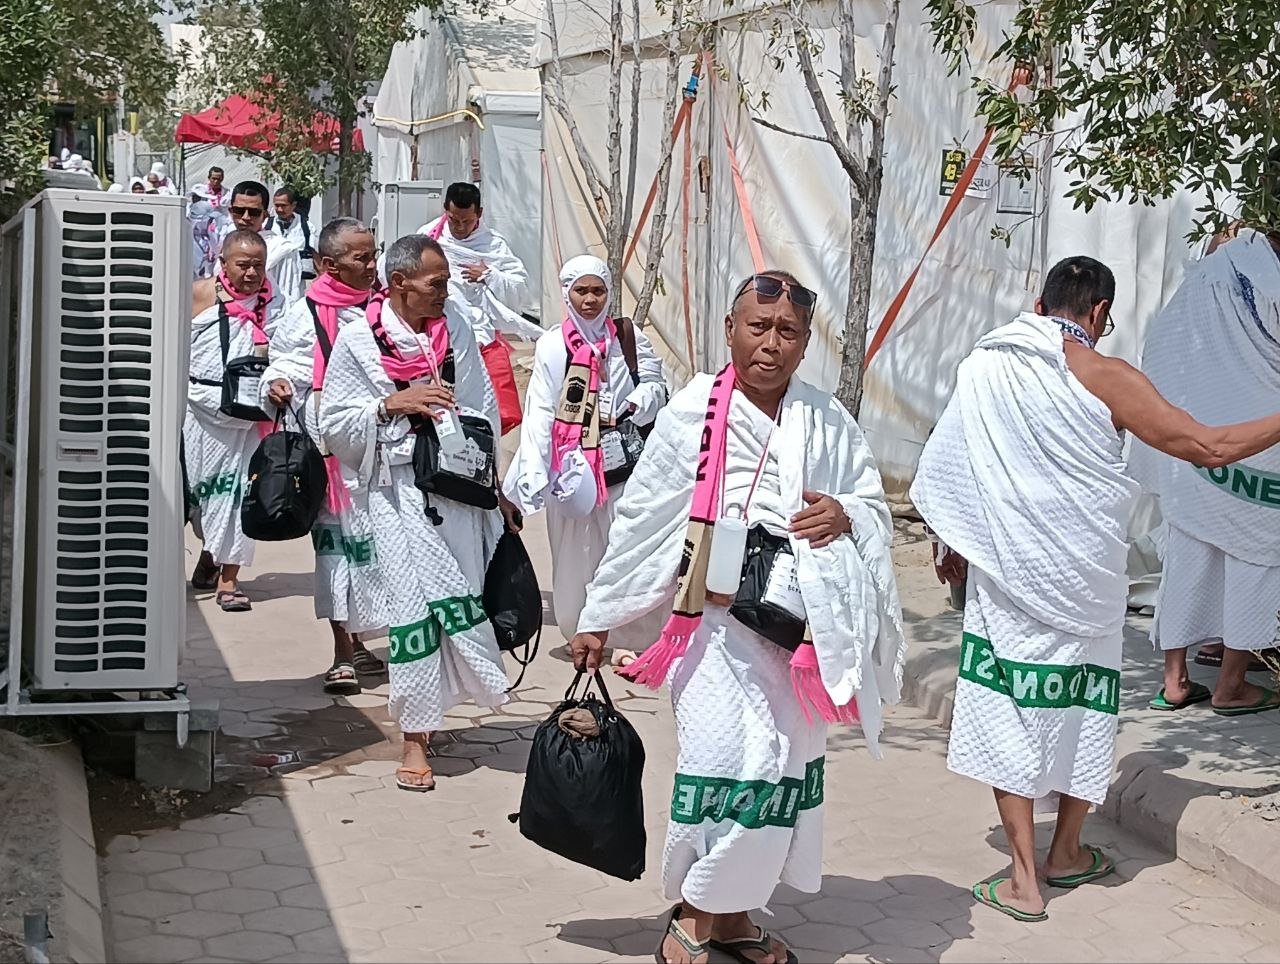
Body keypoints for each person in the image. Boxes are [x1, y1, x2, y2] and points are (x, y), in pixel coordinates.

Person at [910, 256, 1280, 923]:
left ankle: (1024, 878)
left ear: (1038, 301)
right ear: (1100, 314)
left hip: (1009, 574)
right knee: (1083, 708)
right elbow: (1208, 445)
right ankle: (1069, 850)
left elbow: (950, 458)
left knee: (1009, 708)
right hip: (1086, 579)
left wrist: (952, 538)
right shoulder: (1106, 377)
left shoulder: (986, 364)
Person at [568, 269, 904, 964]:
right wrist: (599, 617)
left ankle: (735, 916)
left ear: (806, 344)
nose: (771, 344)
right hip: (712, 634)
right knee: (725, 763)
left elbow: (870, 503)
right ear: (730, 330)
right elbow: (644, 520)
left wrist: (844, 514)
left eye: (788, 333)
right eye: (758, 327)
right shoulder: (692, 414)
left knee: (780, 767)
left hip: (793, 636)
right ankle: (697, 914)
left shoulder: (826, 419)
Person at [319, 234, 521, 792]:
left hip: (457, 490)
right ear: (400, 282)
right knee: (414, 605)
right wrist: (391, 403)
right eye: (437, 284)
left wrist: (495, 488)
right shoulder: (358, 339)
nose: (445, 293)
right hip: (397, 493)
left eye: (448, 284)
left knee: (457, 599)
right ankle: (414, 736)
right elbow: (333, 422)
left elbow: (480, 408)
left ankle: (438, 713)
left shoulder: (455, 329)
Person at [1128, 222, 1280, 714]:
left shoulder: (1197, 288)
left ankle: (1175, 680)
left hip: (1192, 445)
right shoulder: (1267, 280)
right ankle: (1231, 686)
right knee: (1255, 558)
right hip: (1257, 442)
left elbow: (1160, 355)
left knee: (1189, 559)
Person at [503, 255, 667, 650]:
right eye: (582, 291)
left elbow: (656, 385)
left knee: (624, 546)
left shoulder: (627, 338)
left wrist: (636, 401)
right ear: (567, 294)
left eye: (598, 291)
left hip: (622, 462)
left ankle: (630, 637)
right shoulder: (553, 345)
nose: (590, 299)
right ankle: (582, 629)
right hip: (571, 464)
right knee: (573, 550)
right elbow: (541, 408)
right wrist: (536, 469)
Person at [261, 218, 386, 694]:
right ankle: (343, 652)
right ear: (328, 264)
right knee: (335, 554)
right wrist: (278, 386)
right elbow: (285, 364)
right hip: (329, 456)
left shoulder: (388, 309)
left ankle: (365, 642)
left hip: (381, 452)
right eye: (361, 257)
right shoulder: (303, 314)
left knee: (379, 555)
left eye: (374, 254)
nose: (372, 264)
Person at [184, 230, 275, 612]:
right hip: (197, 410)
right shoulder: (198, 294)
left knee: (237, 497)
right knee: (195, 496)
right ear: (223, 263)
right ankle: (209, 556)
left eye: (258, 265)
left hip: (247, 416)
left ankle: (229, 579)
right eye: (243, 264)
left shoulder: (276, 302)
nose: (252, 273)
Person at [418, 182, 542, 345]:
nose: (460, 227)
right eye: (453, 220)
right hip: (436, 319)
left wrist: (490, 276)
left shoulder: (494, 244)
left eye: (467, 221)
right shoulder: (427, 237)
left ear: (479, 213)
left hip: (481, 321)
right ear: (445, 210)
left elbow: (519, 287)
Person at [223, 180, 303, 316]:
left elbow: (288, 299)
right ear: (231, 211)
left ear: (265, 215)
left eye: (253, 212)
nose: (245, 217)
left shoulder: (282, 250)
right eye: (239, 211)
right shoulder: (226, 243)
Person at [267, 187, 317, 285]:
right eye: (277, 205)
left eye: (284, 205)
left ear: (293, 205)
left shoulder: (306, 227)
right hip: (271, 279)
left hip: (296, 282)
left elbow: (315, 253)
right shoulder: (267, 225)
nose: (280, 209)